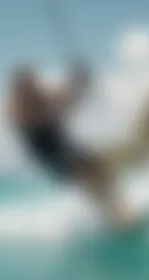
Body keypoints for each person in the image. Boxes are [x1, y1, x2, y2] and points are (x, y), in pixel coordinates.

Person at [7, 58, 131, 226]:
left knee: (99, 166)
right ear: (20, 87)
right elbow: (42, 115)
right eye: (28, 84)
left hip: (64, 147)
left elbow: (66, 101)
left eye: (33, 81)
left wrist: (79, 81)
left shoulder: (41, 97)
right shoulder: (17, 107)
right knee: (85, 176)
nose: (33, 85)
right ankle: (114, 217)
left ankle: (120, 209)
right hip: (49, 154)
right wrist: (63, 99)